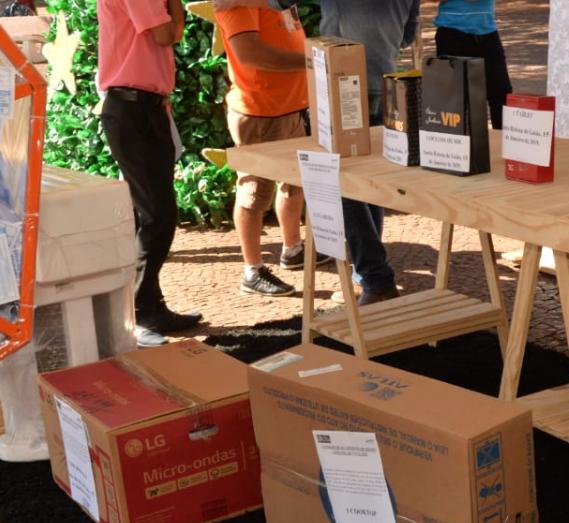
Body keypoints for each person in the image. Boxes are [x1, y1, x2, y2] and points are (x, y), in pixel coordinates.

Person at [215, 0, 421, 305]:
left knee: (343, 184)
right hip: (381, 80)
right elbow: (407, 35)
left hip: (344, 84)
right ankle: (365, 275)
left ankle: (375, 278)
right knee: (366, 183)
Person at [98, 0, 203, 347]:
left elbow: (172, 33)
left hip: (144, 109)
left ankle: (151, 307)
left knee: (152, 214)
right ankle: (139, 312)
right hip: (133, 111)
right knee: (157, 215)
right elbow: (165, 34)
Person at [217, 3, 324, 297]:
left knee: (294, 182)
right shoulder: (237, 3)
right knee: (254, 192)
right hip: (260, 113)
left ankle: (293, 249)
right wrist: (310, 61)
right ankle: (252, 271)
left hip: (291, 107)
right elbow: (250, 53)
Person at [433, 0, 513, 129]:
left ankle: (501, 139)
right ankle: (458, 140)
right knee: (454, 98)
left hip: (488, 34)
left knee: (501, 93)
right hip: (452, 34)